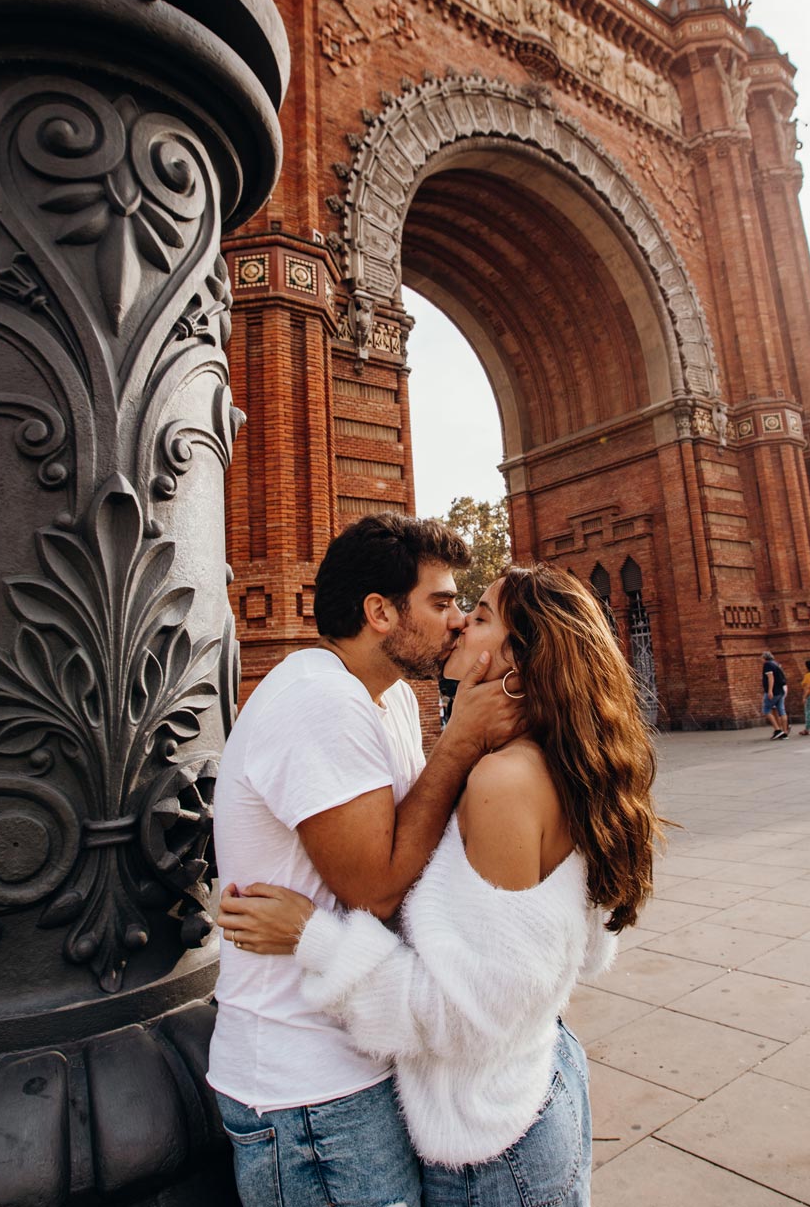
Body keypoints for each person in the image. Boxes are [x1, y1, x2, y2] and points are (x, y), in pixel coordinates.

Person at [220, 564, 663, 1206]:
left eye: (478, 614)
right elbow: (566, 951)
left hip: (495, 1142)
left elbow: (465, 1019)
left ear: (518, 658)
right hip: (532, 1086)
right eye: (455, 605)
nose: (460, 622)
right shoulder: (552, 756)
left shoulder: (505, 783)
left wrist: (311, 937)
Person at [207, 514, 521, 1207]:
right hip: (306, 1085)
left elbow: (418, 845)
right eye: (440, 603)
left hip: (363, 1049)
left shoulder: (394, 700)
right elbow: (377, 888)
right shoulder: (320, 698)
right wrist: (462, 742)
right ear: (380, 611)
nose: (457, 621)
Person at [762, 650, 789, 738]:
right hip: (781, 690)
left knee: (766, 710)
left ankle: (777, 730)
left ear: (764, 658)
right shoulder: (776, 664)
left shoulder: (767, 665)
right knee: (782, 710)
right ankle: (785, 732)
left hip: (774, 691)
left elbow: (770, 678)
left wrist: (770, 691)